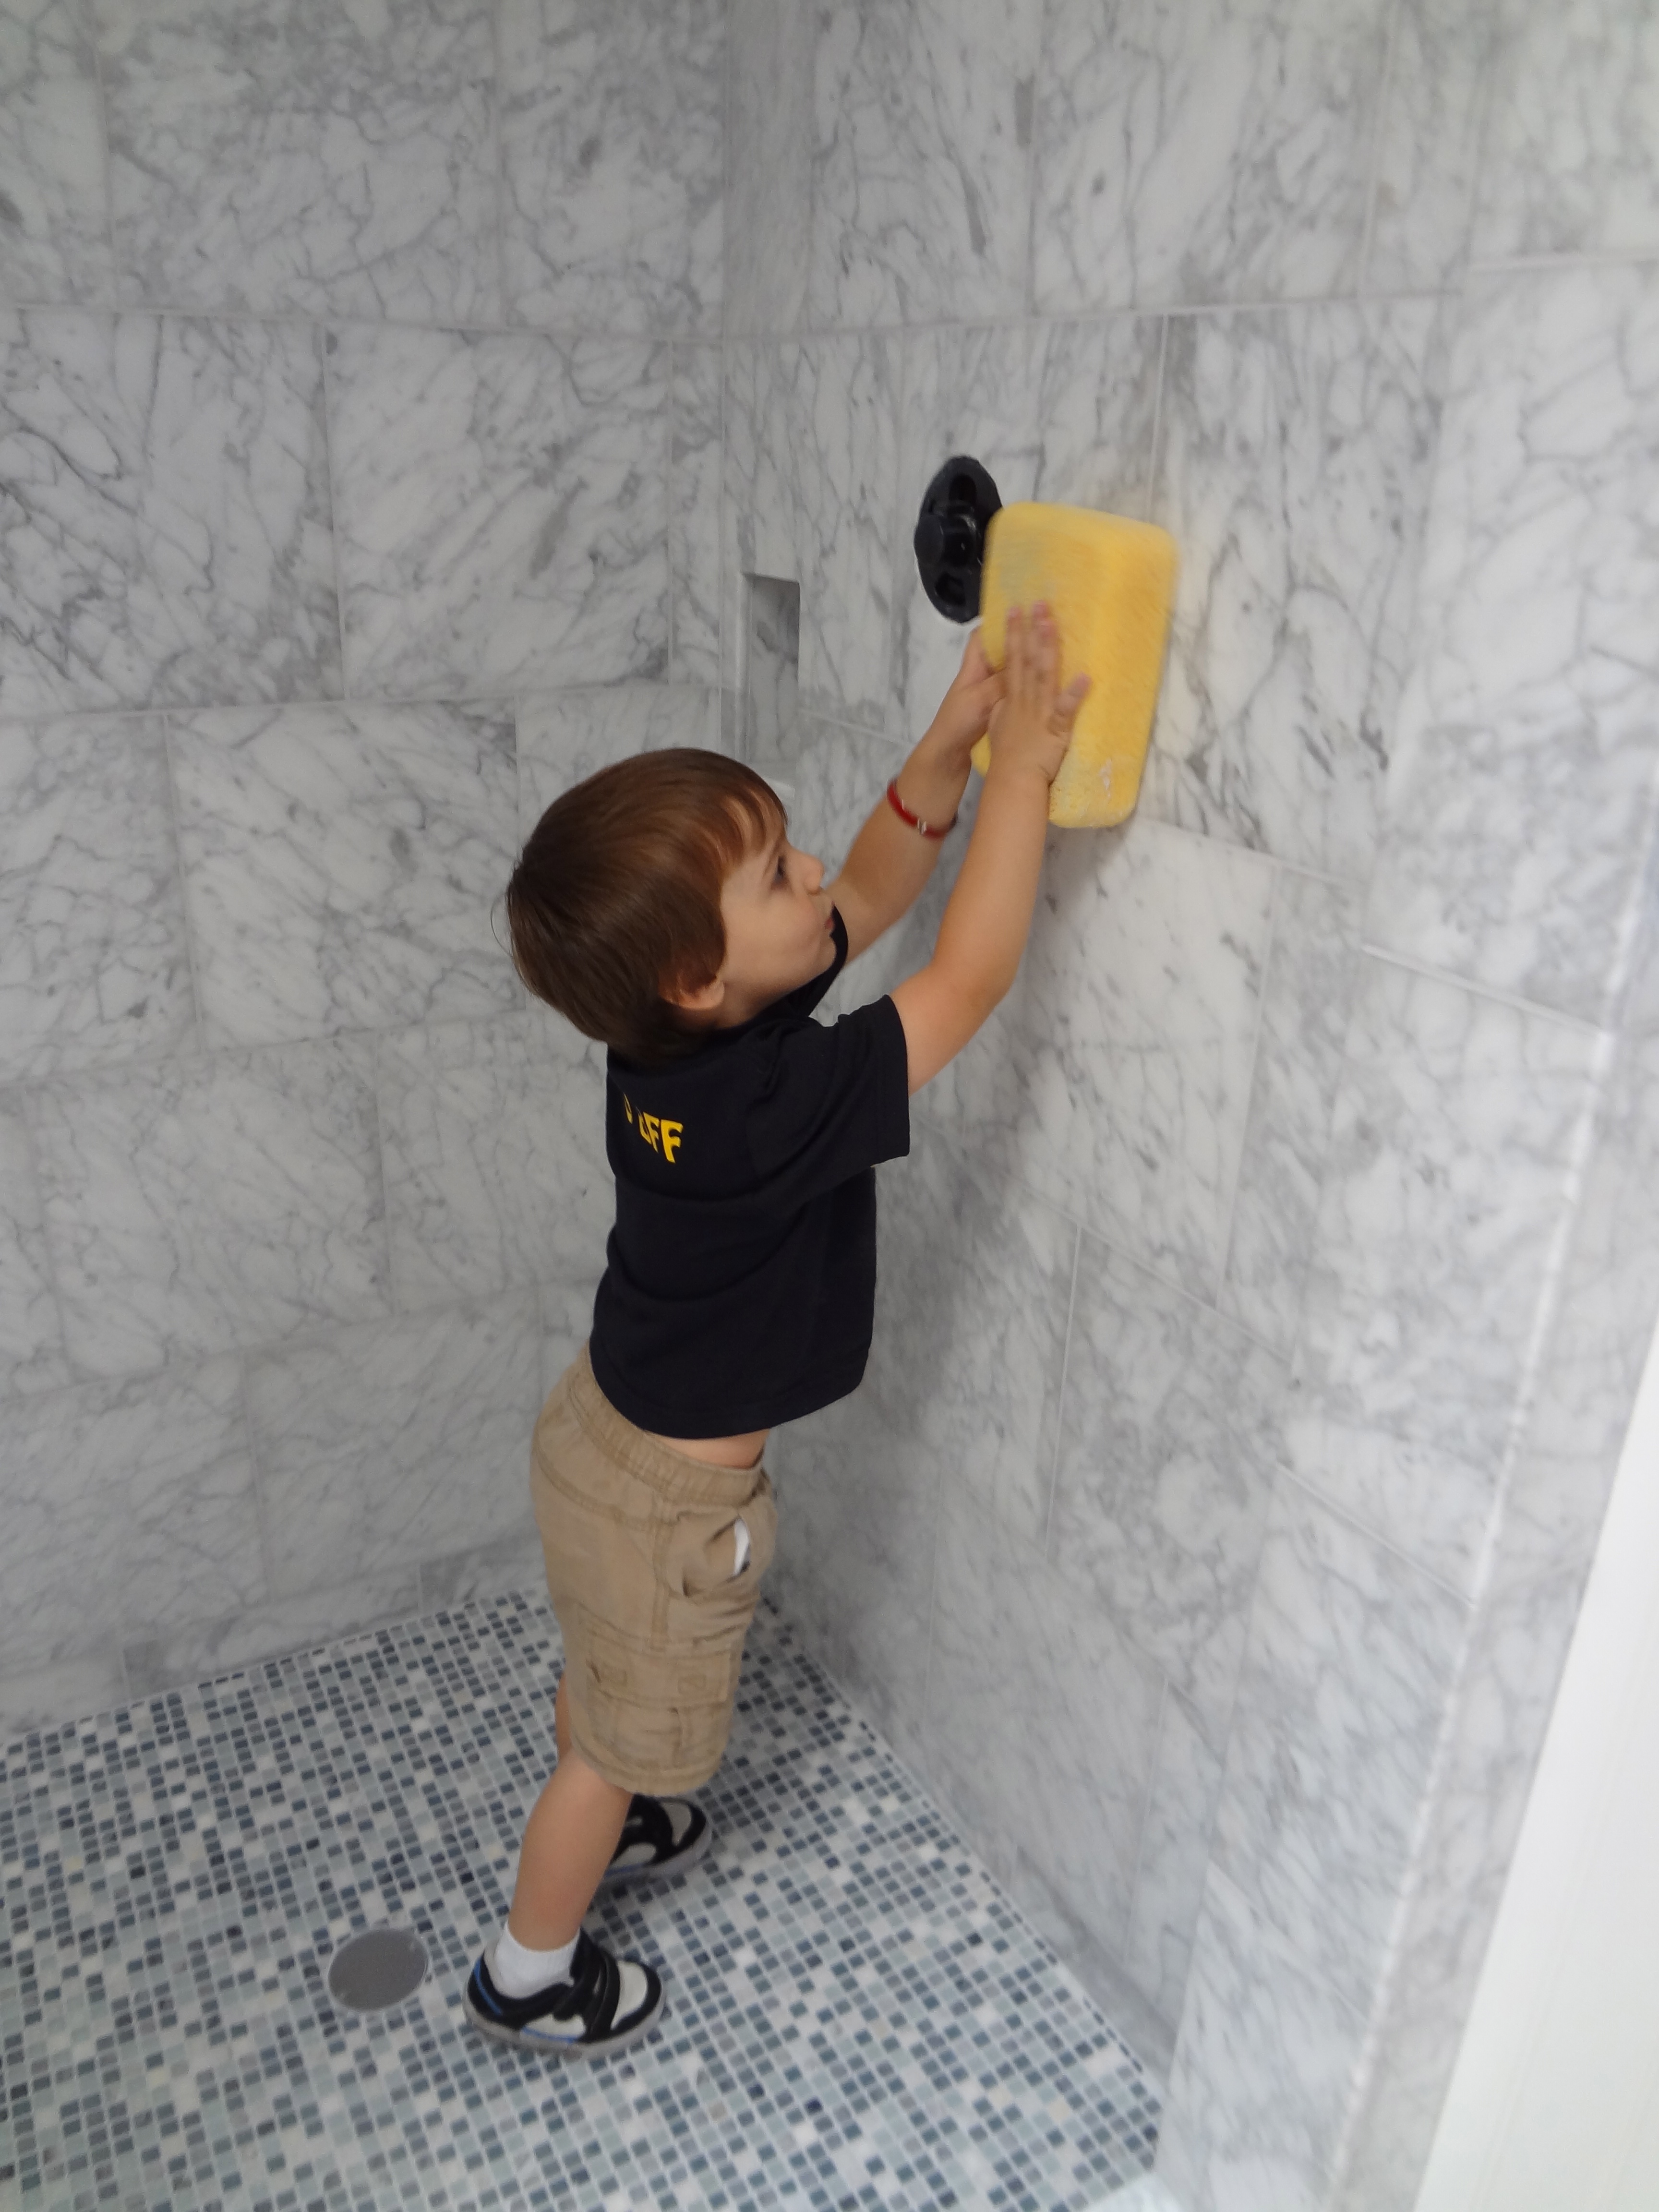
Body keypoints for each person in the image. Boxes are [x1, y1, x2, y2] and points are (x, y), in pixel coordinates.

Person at [465, 605, 1089, 2056]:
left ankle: (602, 1817)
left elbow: (865, 900)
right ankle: (528, 1968)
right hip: (669, 1499)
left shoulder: (668, 1040)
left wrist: (951, 740)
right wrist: (1032, 776)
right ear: (701, 971)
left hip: (599, 1434)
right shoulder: (761, 1112)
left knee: (603, 1667)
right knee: (615, 1750)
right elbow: (970, 976)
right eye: (775, 873)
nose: (813, 878)